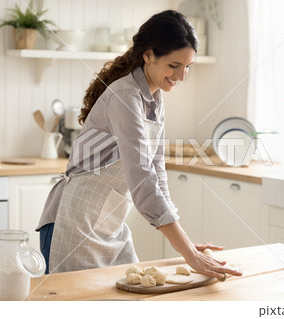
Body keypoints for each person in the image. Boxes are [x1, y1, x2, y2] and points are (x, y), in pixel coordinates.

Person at [36, 10, 242, 280]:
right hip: (74, 224)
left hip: (110, 226)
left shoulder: (154, 98)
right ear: (148, 55)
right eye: (174, 65)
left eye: (188, 66)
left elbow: (157, 171)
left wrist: (186, 245)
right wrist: (189, 253)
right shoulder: (125, 97)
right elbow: (142, 179)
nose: (181, 76)